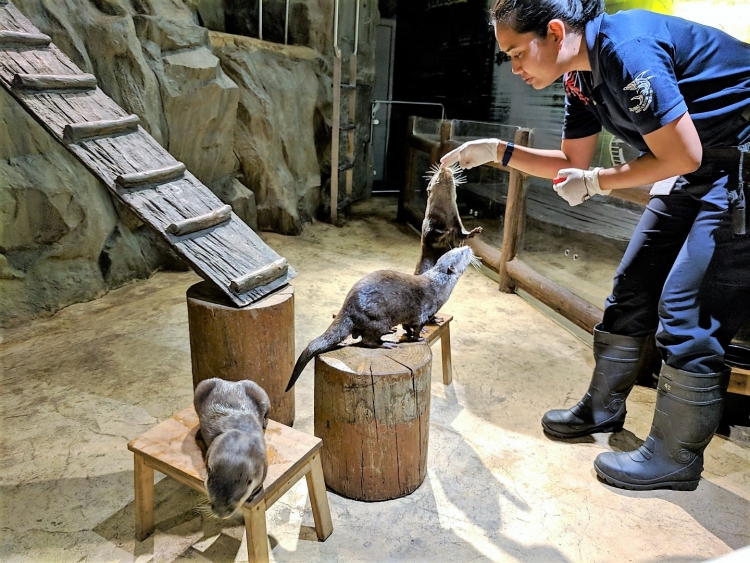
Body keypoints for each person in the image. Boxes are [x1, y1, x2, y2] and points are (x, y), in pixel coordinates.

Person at [441, 0, 750, 491]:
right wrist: (493, 151)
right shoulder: (579, 78)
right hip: (692, 168)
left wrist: (600, 181)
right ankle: (603, 409)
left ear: (556, 32)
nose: (515, 67)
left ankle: (675, 458)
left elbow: (681, 154)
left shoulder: (629, 49)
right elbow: (571, 160)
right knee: (631, 287)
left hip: (736, 167)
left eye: (518, 52)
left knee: (686, 311)